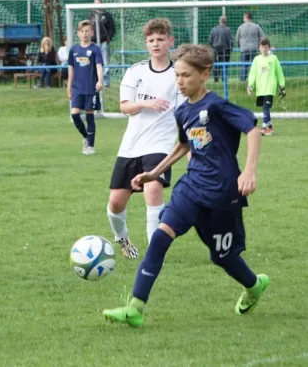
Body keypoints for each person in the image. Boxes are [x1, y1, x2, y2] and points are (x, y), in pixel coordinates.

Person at [103, 44, 268, 327]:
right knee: (159, 238)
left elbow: (251, 127)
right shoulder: (182, 112)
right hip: (191, 187)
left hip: (222, 193)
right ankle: (135, 308)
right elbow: (182, 145)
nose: (179, 81)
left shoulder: (216, 105)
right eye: (177, 75)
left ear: (205, 74)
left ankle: (254, 285)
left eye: (186, 76)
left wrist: (249, 171)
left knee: (223, 258)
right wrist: (154, 174)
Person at [107, 18, 185, 259]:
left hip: (160, 144)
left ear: (170, 41)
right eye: (151, 40)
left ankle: (154, 251)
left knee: (153, 189)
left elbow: (184, 113)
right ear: (146, 44)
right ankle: (122, 238)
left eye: (160, 39)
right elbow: (125, 107)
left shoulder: (178, 74)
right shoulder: (136, 71)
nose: (155, 44)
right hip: (131, 145)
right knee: (116, 202)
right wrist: (146, 103)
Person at [67, 20, 104, 156]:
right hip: (77, 88)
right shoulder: (74, 50)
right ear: (78, 33)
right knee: (75, 115)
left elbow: (99, 66)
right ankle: (86, 138)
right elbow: (71, 70)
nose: (85, 34)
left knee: (89, 116)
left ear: (92, 33)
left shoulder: (95, 49)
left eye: (87, 31)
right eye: (82, 31)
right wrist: (69, 87)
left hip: (90, 88)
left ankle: (91, 146)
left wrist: (100, 80)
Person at [247, 38, 285, 136]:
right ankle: (270, 128)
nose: (264, 49)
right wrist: (250, 85)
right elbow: (252, 74)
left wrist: (282, 86)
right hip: (260, 89)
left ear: (269, 48)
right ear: (259, 48)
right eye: (262, 47)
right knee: (265, 108)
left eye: (266, 47)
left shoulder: (274, 59)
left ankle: (264, 128)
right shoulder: (256, 59)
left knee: (265, 108)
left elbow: (279, 73)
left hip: (270, 88)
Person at [89, 0, 115, 87]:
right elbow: (89, 28)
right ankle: (95, 80)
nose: (97, 6)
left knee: (106, 62)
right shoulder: (91, 15)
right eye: (95, 3)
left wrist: (108, 39)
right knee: (94, 61)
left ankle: (106, 82)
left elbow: (112, 29)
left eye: (98, 3)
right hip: (94, 43)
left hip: (104, 42)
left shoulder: (107, 15)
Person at [236, 12, 265, 81]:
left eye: (244, 17)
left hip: (244, 49)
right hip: (253, 48)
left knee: (244, 65)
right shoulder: (256, 26)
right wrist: (259, 45)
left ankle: (242, 80)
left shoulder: (241, 27)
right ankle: (254, 79)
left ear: (246, 17)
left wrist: (240, 46)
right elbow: (262, 37)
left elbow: (237, 39)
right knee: (254, 65)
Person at [209, 15, 233, 82]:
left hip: (215, 49)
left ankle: (216, 79)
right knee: (224, 65)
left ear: (219, 21)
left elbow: (210, 40)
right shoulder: (228, 30)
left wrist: (212, 47)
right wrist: (230, 49)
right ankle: (224, 79)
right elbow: (230, 41)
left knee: (216, 64)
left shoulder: (214, 29)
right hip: (225, 49)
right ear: (226, 21)